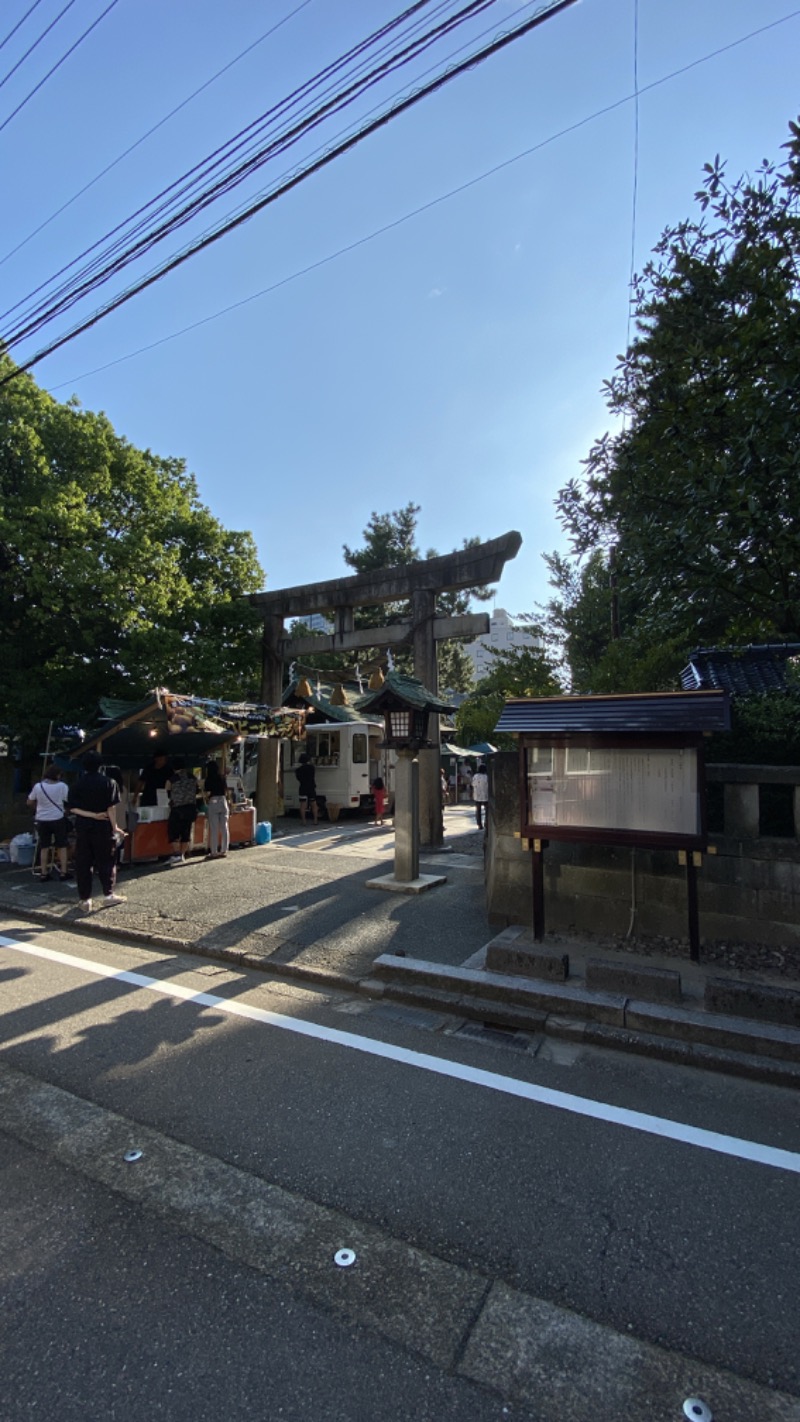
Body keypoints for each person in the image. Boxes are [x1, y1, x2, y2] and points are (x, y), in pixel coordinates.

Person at [66, 751, 126, 912]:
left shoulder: (77, 784)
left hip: (84, 827)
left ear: (83, 766)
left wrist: (91, 815)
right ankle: (108, 895)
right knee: (106, 860)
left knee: (84, 863)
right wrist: (115, 827)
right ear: (101, 765)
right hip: (103, 827)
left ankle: (85, 900)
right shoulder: (109, 782)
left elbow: (72, 808)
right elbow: (111, 808)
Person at [27, 764, 71, 881]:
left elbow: (29, 802)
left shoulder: (38, 786)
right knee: (62, 846)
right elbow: (68, 801)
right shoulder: (62, 786)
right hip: (58, 818)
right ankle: (63, 872)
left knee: (44, 846)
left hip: (42, 819)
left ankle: (43, 873)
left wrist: (39, 808)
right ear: (57, 775)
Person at [166, 760, 199, 865]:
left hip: (177, 808)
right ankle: (182, 855)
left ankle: (176, 854)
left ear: (174, 769)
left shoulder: (172, 779)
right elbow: (197, 791)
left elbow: (167, 792)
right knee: (186, 832)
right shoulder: (192, 777)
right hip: (190, 808)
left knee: (174, 832)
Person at [204, 759, 230, 858]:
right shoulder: (222, 777)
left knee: (214, 828)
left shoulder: (208, 779)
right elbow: (226, 791)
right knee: (224, 827)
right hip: (223, 801)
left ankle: (214, 852)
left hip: (213, 801)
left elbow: (208, 793)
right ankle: (224, 850)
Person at [295, 753, 318, 825]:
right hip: (311, 787)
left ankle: (304, 821)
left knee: (303, 805)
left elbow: (298, 779)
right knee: (313, 804)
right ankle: (315, 820)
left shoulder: (298, 770)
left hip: (303, 788)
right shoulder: (312, 768)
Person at [472, 762, 489, 830]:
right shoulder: (486, 776)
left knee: (478, 811)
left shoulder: (475, 776)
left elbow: (473, 784)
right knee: (487, 811)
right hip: (486, 795)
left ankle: (479, 825)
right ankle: (486, 823)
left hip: (477, 795)